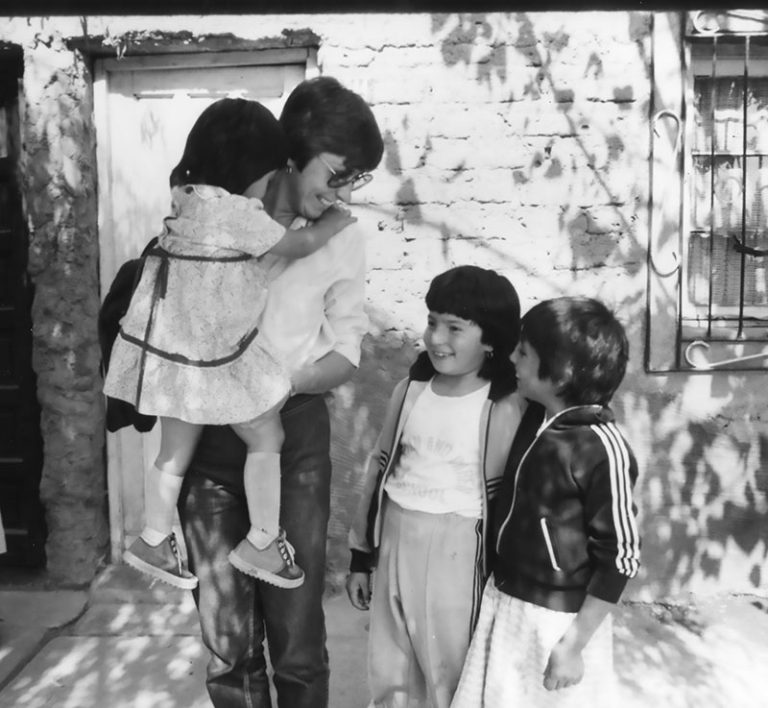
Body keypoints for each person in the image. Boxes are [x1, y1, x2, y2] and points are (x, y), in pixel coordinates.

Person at [177, 76, 384, 708]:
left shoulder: (344, 238)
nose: (344, 192)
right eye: (338, 173)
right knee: (226, 636)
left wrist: (273, 386)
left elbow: (347, 348)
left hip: (291, 437)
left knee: (296, 632)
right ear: (293, 153)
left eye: (357, 180)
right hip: (209, 442)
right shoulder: (218, 215)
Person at [104, 98, 355, 590]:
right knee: (266, 437)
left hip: (171, 361)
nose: (268, 187)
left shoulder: (185, 198)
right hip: (218, 361)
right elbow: (298, 245)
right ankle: (263, 541)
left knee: (172, 453)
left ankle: (154, 536)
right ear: (252, 170)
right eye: (268, 175)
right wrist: (332, 224)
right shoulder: (239, 213)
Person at [346, 265, 535, 708]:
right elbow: (379, 469)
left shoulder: (506, 406)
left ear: (491, 339)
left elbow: (519, 494)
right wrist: (361, 556)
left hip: (459, 546)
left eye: (454, 327)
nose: (435, 337)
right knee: (390, 665)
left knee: (450, 666)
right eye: (432, 321)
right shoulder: (410, 391)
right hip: (396, 537)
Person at [451, 296, 642, 708]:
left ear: (562, 372)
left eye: (523, 352)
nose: (512, 359)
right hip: (505, 602)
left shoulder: (602, 448)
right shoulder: (537, 419)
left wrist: (573, 646)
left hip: (557, 623)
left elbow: (621, 557)